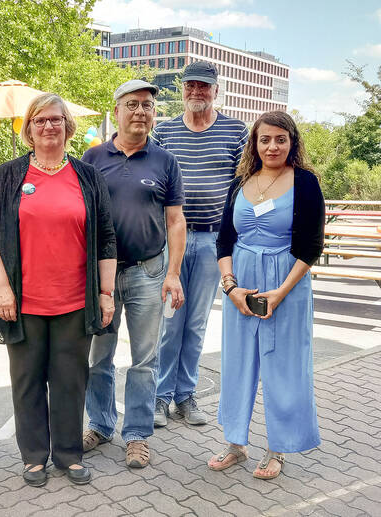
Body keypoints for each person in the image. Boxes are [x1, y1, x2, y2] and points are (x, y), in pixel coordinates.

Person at [0, 92, 117, 487]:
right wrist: (2, 289)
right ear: (29, 129)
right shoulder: (8, 176)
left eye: (56, 119)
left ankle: (69, 455)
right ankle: (34, 457)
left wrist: (105, 293)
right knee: (27, 381)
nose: (49, 126)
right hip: (22, 302)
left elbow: (106, 238)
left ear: (67, 126)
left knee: (71, 380)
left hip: (76, 300)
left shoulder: (88, 176)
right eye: (40, 120)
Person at [209, 111, 324, 480]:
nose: (272, 146)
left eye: (280, 139)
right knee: (238, 364)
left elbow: (310, 246)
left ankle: (278, 449)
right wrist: (230, 287)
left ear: (292, 142)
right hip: (241, 283)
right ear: (254, 144)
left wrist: (280, 293)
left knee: (284, 366)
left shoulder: (305, 182)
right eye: (264, 139)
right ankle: (235, 444)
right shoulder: (241, 180)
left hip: (286, 283)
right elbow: (224, 239)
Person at [80, 80, 186, 468]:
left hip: (147, 272)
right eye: (132, 105)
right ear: (118, 110)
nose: (141, 112)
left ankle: (138, 434)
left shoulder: (165, 161)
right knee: (97, 358)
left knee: (144, 360)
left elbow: (176, 221)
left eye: (147, 105)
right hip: (102, 279)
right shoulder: (91, 158)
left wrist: (173, 273)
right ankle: (101, 424)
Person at [152, 61, 249, 427]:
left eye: (203, 87)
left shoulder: (236, 131)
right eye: (190, 85)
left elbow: (244, 185)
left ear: (216, 90)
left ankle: (186, 396)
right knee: (169, 321)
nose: (196, 92)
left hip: (214, 240)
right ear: (183, 89)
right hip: (171, 239)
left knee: (196, 323)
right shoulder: (165, 132)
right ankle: (160, 397)